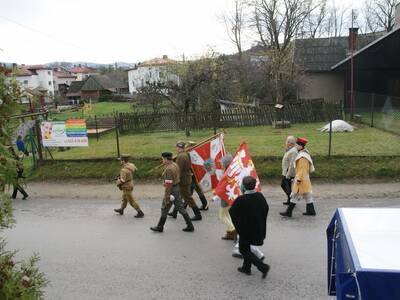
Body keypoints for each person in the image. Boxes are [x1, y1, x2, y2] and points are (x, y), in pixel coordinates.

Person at [229, 176, 270, 278]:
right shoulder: (260, 196)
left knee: (244, 250)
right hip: (257, 228)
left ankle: (263, 267)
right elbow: (265, 209)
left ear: (243, 186)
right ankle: (246, 268)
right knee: (247, 248)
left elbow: (232, 212)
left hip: (245, 230)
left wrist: (239, 225)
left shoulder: (241, 200)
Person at [150, 152, 194, 233]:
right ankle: (190, 225)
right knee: (179, 207)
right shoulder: (175, 165)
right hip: (176, 187)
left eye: (163, 159)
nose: (162, 160)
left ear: (166, 159)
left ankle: (160, 226)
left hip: (171, 190)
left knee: (165, 207)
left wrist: (167, 196)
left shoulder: (169, 169)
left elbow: (169, 184)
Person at [280, 137, 316, 218]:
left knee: (295, 195)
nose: (295, 146)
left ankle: (288, 212)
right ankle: (311, 211)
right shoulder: (304, 154)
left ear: (300, 146)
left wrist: (298, 179)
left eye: (297, 145)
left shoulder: (302, 157)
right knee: (308, 195)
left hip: (301, 179)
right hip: (305, 179)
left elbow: (302, 170)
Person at [174, 141, 202, 221]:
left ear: (178, 147)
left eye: (176, 147)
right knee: (180, 196)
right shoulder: (186, 154)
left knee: (187, 197)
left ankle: (197, 214)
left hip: (183, 179)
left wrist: (176, 180)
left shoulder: (181, 156)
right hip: (186, 177)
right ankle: (174, 212)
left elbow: (178, 169)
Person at [212, 154, 236, 240]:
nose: (221, 164)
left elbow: (223, 187)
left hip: (226, 197)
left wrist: (215, 194)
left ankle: (233, 229)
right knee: (227, 214)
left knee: (222, 216)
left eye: (222, 163)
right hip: (229, 197)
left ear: (226, 164)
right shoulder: (230, 171)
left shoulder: (227, 174)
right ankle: (230, 232)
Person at [281, 136, 297, 205]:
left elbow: (292, 164)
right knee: (285, 186)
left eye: (287, 141)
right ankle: (290, 199)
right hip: (286, 171)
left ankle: (291, 200)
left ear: (290, 143)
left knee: (285, 185)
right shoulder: (289, 149)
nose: (286, 142)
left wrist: (288, 174)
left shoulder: (293, 151)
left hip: (289, 172)